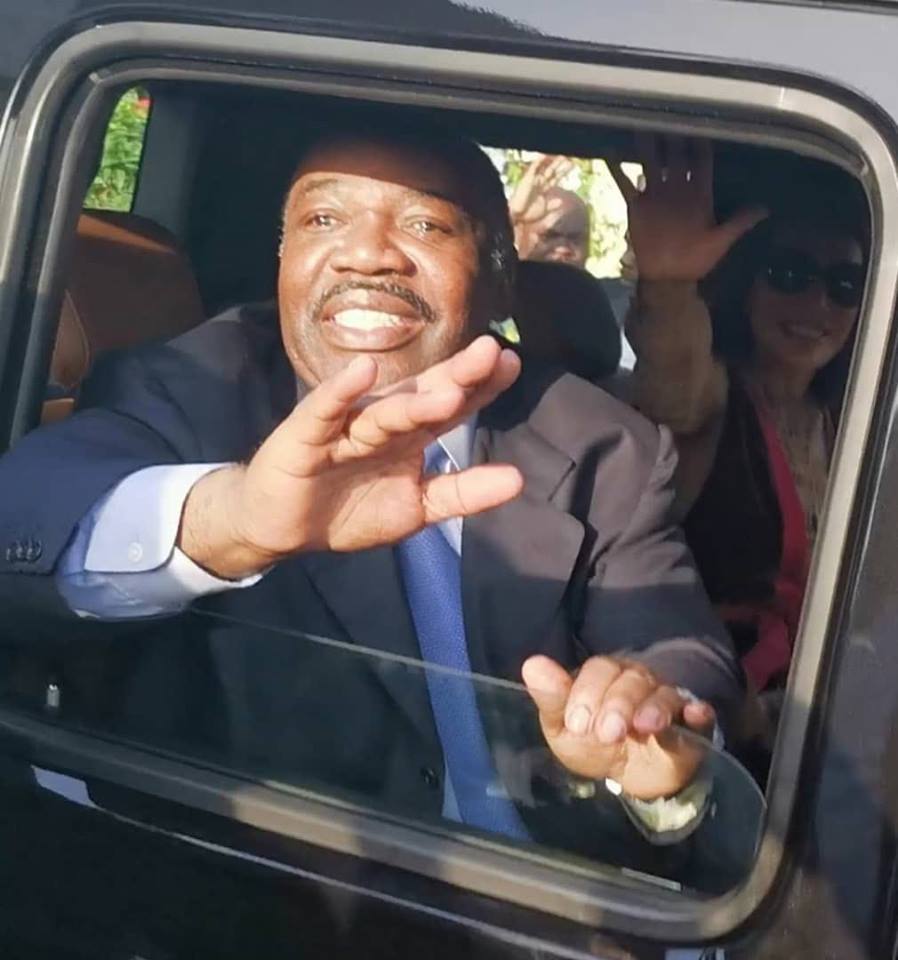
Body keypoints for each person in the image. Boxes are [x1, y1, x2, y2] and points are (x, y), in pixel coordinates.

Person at [0, 122, 744, 881]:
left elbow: (676, 646)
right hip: (267, 898)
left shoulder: (601, 442)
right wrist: (231, 522)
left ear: (499, 282)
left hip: (549, 895)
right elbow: (21, 523)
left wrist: (651, 731)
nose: (366, 254)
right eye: (324, 219)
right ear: (282, 260)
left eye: (425, 224)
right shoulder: (191, 386)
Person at [611, 136, 867, 753]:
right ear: (745, 283)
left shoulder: (849, 419)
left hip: (828, 720)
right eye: (789, 275)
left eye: (845, 284)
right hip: (713, 724)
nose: (817, 303)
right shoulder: (713, 398)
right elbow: (672, 377)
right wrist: (670, 282)